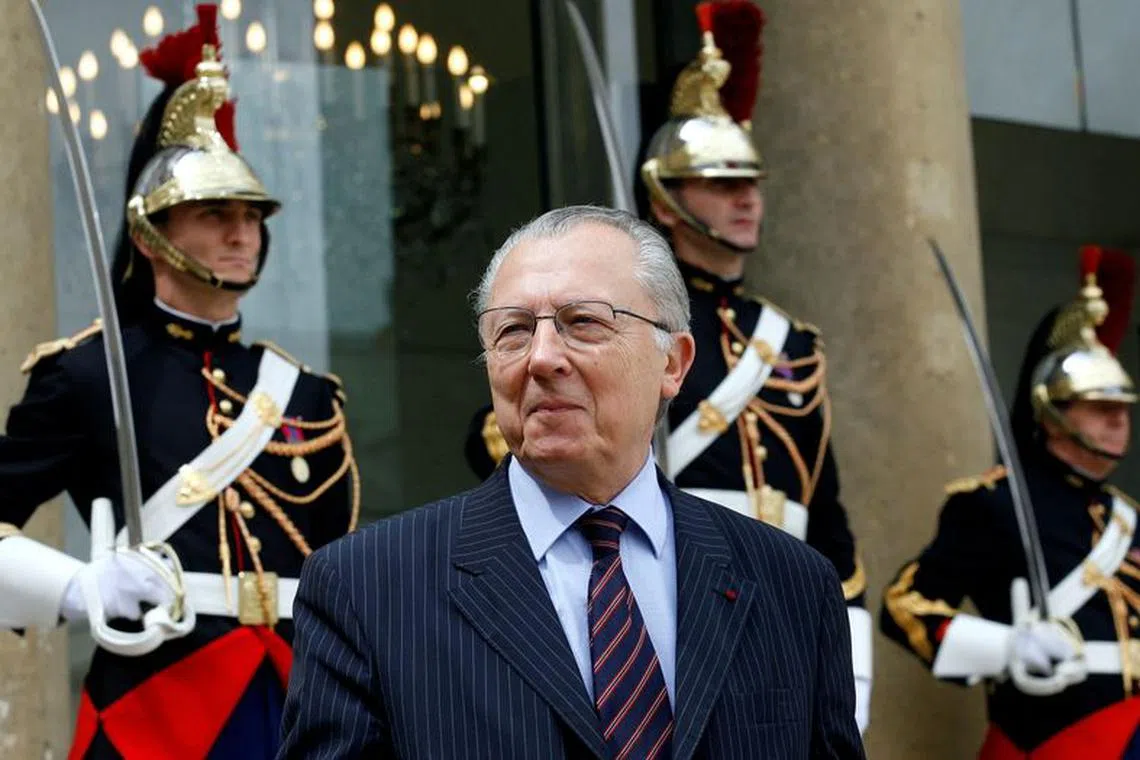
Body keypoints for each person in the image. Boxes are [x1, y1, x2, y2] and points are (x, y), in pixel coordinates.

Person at [278, 205, 864, 759]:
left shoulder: (793, 585)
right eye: (513, 330)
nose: (541, 357)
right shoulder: (369, 589)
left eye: (582, 323)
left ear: (673, 363)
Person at [464, 0, 873, 734]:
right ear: (666, 197)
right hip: (658, 579)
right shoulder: (618, 321)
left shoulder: (789, 342)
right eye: (719, 182)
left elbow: (827, 514)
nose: (745, 199)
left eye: (750, 181)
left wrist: (855, 655)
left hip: (779, 596)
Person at [0, 6, 359, 757]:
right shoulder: (89, 374)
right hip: (158, 701)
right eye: (212, 212)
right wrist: (76, 587)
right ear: (150, 234)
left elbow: (341, 566)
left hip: (300, 690)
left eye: (251, 215)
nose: (240, 233)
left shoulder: (304, 393)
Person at [880, 247, 1140, 758]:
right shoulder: (994, 504)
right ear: (1052, 416)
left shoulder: (1126, 515)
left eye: (1123, 408)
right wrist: (1005, 649)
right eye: (1099, 407)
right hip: (1052, 740)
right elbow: (906, 607)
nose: (1118, 421)